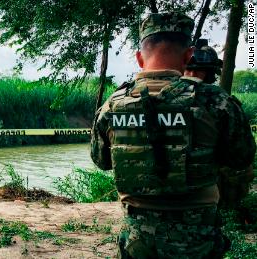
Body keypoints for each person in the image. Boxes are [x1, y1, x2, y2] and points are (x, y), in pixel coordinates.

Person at [91, 12, 256, 258]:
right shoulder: (216, 101)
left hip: (138, 242)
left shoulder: (111, 106)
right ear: (189, 55)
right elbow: (242, 159)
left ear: (139, 58)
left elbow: (101, 161)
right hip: (197, 240)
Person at [184, 40, 255, 209]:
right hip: (205, 195)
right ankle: (228, 207)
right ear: (210, 74)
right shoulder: (221, 101)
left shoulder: (155, 97)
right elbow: (244, 156)